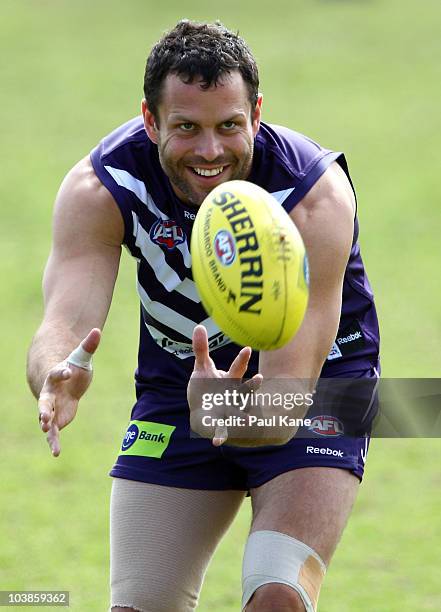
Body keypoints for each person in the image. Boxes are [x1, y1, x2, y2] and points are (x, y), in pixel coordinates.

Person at [27, 20, 380, 612]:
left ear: (257, 113)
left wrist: (221, 406)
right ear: (150, 120)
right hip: (176, 389)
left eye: (229, 126)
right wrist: (55, 371)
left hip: (319, 389)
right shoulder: (103, 185)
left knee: (278, 596)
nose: (211, 151)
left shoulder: (313, 195)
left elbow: (286, 405)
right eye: (186, 128)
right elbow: (62, 324)